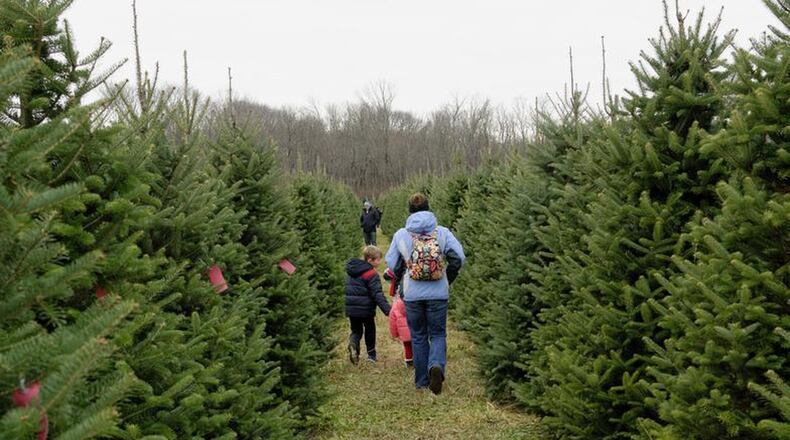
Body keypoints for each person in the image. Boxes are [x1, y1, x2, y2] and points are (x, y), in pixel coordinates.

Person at [385, 193, 464, 394]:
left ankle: (421, 381)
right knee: (437, 333)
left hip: (412, 295)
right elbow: (459, 258)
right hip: (438, 293)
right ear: (429, 208)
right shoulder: (443, 232)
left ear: (410, 211)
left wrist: (405, 271)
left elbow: (392, 265)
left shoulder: (401, 234)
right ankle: (436, 365)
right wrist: (447, 278)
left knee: (418, 336)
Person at [345, 245, 391, 364]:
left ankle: (353, 344)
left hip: (351, 308)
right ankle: (371, 355)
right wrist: (388, 311)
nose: (379, 262)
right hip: (366, 310)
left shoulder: (351, 271)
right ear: (370, 260)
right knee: (370, 329)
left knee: (356, 330)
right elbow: (377, 294)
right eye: (377, 259)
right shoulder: (371, 274)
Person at [384, 268, 412, 367]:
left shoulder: (397, 304)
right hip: (415, 301)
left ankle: (409, 360)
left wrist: (394, 334)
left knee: (407, 340)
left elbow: (392, 319)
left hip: (400, 301)